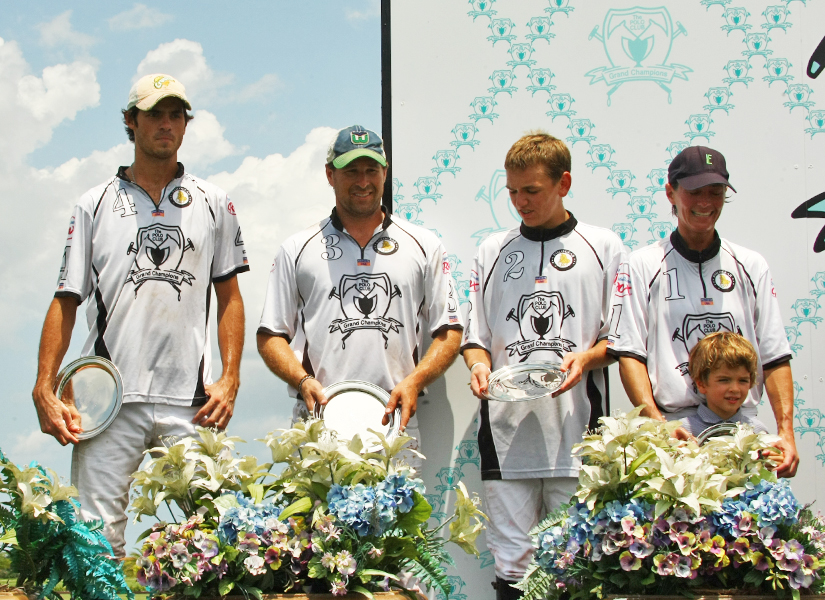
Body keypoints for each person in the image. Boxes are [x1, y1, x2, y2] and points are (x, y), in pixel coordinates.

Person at [31, 74, 248, 557]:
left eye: (175, 115)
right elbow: (66, 299)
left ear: (186, 124)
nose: (166, 124)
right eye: (154, 114)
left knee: (215, 544)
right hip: (108, 398)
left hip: (193, 400)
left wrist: (230, 377)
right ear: (131, 121)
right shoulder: (93, 203)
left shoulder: (214, 202)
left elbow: (230, 297)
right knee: (97, 546)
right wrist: (44, 386)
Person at [462, 132, 625, 600]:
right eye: (512, 191)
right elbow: (475, 338)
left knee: (576, 557)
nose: (520, 202)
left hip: (578, 434)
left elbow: (622, 337)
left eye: (531, 190)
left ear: (563, 183)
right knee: (512, 562)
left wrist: (588, 357)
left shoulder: (603, 246)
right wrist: (478, 366)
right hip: (505, 434)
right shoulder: (492, 250)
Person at [256, 125, 462, 467]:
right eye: (351, 171)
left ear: (385, 173)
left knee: (398, 507)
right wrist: (302, 380)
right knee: (317, 508)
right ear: (330, 175)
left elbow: (450, 330)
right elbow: (270, 336)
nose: (363, 181)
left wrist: (415, 381)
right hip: (319, 423)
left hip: (394, 423)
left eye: (371, 170)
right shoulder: (297, 248)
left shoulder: (424, 245)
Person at [607, 145, 798, 476]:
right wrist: (659, 427)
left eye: (716, 192)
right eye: (694, 192)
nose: (706, 202)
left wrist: (786, 433)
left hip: (742, 429)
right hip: (674, 429)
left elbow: (774, 356)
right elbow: (630, 353)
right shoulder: (642, 264)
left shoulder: (751, 264)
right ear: (671, 193)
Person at [682, 331, 768, 437]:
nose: (735, 389)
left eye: (743, 381)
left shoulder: (757, 432)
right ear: (701, 384)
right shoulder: (684, 431)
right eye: (724, 380)